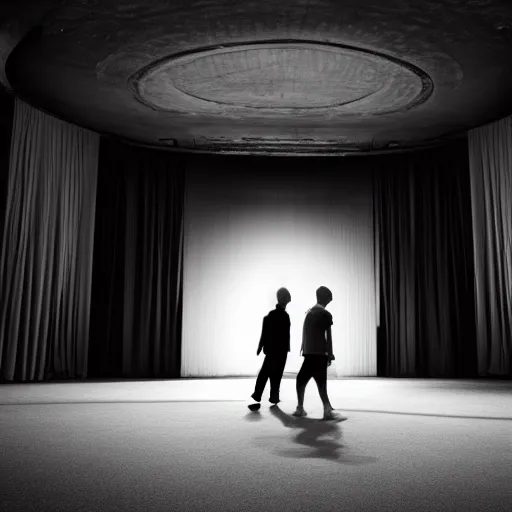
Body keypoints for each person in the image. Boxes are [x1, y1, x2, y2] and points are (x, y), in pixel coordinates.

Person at [292, 286, 346, 421]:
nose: (331, 299)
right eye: (330, 297)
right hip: (320, 354)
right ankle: (327, 410)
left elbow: (305, 334)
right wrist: (330, 354)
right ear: (325, 298)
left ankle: (301, 408)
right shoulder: (325, 314)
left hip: (309, 353)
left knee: (302, 380)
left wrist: (304, 350)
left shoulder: (309, 313)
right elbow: (329, 336)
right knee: (321, 383)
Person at [248, 287, 291, 411]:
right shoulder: (283, 316)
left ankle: (266, 396)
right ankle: (268, 396)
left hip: (273, 350)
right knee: (274, 374)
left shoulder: (270, 316)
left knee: (266, 373)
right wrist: (261, 345)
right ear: (285, 299)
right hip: (280, 351)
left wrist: (261, 346)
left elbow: (264, 332)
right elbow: (269, 332)